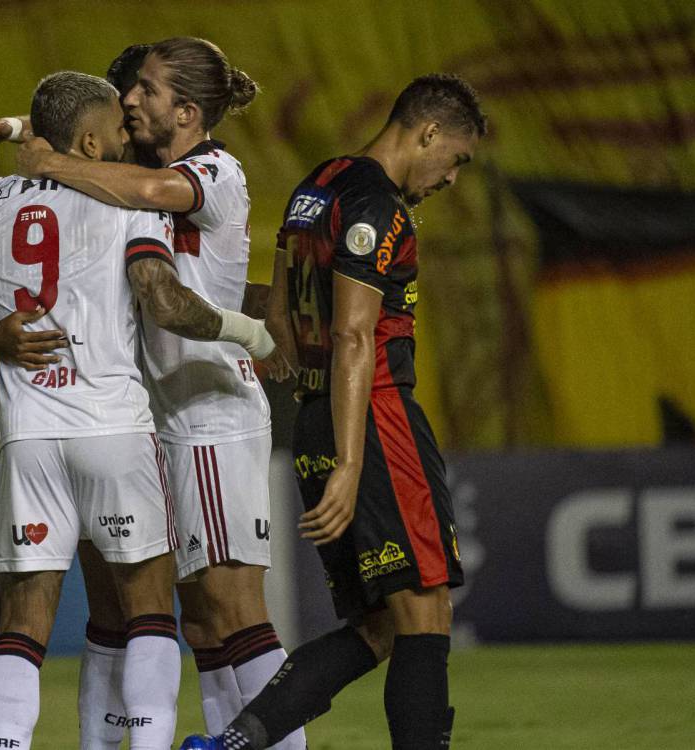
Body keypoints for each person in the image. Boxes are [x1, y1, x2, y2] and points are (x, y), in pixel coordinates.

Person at [0, 38, 305, 750]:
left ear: (187, 109)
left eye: (145, 92)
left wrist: (50, 157)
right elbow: (93, 143)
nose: (131, 103)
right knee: (193, 618)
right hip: (153, 414)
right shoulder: (131, 172)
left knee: (231, 608)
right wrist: (22, 128)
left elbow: (146, 205)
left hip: (207, 408)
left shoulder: (212, 169)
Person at [181, 73, 488, 750]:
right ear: (429, 132)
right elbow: (353, 334)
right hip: (372, 419)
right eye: (456, 160)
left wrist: (316, 409)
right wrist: (351, 464)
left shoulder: (317, 184)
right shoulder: (379, 207)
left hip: (321, 414)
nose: (451, 179)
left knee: (378, 625)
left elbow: (285, 309)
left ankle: (232, 743)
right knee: (425, 609)